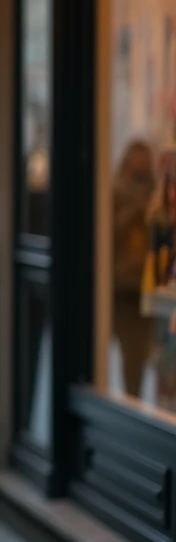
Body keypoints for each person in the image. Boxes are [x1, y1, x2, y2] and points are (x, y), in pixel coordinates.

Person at [113, 140, 156, 396]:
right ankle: (130, 398)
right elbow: (108, 234)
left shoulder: (155, 192)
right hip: (123, 285)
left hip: (146, 283)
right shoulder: (116, 191)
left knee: (141, 354)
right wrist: (133, 210)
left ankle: (135, 397)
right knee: (129, 352)